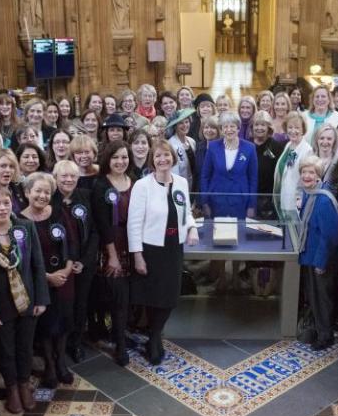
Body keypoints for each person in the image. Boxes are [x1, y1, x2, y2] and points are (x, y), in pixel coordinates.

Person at [0, 186, 49, 413]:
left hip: (27, 300)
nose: (2, 208)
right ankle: (12, 388)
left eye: (6, 203)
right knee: (5, 349)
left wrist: (41, 298)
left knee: (25, 347)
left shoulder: (25, 227)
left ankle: (24, 385)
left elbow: (37, 264)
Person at [128, 139, 199, 364]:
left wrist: (192, 228)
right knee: (152, 296)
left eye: (166, 155)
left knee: (170, 296)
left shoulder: (180, 182)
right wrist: (137, 255)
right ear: (152, 160)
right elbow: (134, 223)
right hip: (151, 248)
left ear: (173, 158)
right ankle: (154, 336)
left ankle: (155, 332)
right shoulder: (142, 186)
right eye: (158, 156)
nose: (162, 159)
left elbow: (186, 211)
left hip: (173, 247)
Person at [20, 173, 78, 384]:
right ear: (27, 193)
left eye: (47, 192)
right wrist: (47, 277)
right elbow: (21, 259)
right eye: (38, 191)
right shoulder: (19, 220)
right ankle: (50, 367)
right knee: (45, 326)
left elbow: (72, 243)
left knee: (63, 323)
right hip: (39, 282)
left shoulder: (59, 213)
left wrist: (67, 270)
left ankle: (61, 362)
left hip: (64, 279)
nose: (42, 196)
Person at [51, 160, 99, 364]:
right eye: (64, 176)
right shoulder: (49, 199)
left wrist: (85, 261)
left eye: (72, 176)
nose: (69, 180)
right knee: (61, 307)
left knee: (81, 305)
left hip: (83, 264)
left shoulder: (85, 197)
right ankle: (57, 346)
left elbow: (95, 232)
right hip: (58, 265)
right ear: (55, 177)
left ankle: (76, 342)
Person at [91, 144, 135, 366]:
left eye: (124, 157)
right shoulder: (100, 185)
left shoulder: (133, 181)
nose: (120, 161)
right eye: (116, 157)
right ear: (108, 159)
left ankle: (121, 334)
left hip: (132, 243)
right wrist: (112, 256)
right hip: (111, 246)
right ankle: (120, 346)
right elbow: (101, 223)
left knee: (127, 298)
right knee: (118, 299)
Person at [296, 155, 338, 351]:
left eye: (311, 172)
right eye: (304, 172)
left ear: (318, 176)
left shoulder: (323, 199)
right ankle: (317, 329)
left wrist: (321, 263)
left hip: (320, 260)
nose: (307, 176)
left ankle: (326, 335)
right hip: (309, 255)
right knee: (313, 297)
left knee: (322, 298)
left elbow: (329, 236)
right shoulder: (308, 194)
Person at [201, 110, 258, 218]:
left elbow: (253, 179)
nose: (229, 130)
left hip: (241, 202)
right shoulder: (213, 147)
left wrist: (252, 205)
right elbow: (205, 176)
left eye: (232, 126)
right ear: (221, 129)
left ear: (238, 128)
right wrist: (205, 202)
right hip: (216, 201)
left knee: (240, 234)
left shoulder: (249, 148)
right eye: (225, 127)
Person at [273, 112, 314, 219]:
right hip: (284, 199)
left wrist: (299, 202)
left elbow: (307, 181)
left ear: (303, 129)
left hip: (295, 205)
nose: (293, 131)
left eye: (297, 127)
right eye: (290, 127)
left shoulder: (307, 150)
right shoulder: (289, 145)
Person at [249, 111, 286, 218]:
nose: (259, 128)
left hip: (269, 201)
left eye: (263, 125)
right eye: (256, 124)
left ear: (269, 127)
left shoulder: (277, 147)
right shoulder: (246, 145)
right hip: (249, 198)